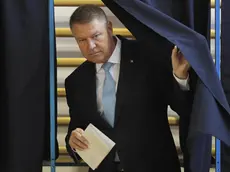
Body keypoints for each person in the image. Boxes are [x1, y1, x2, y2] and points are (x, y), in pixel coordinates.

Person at [65, 4, 192, 172]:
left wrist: (180, 77)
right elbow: (77, 127)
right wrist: (73, 141)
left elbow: (184, 108)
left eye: (96, 36)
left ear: (109, 28)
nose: (91, 46)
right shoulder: (76, 80)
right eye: (82, 40)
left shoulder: (149, 56)